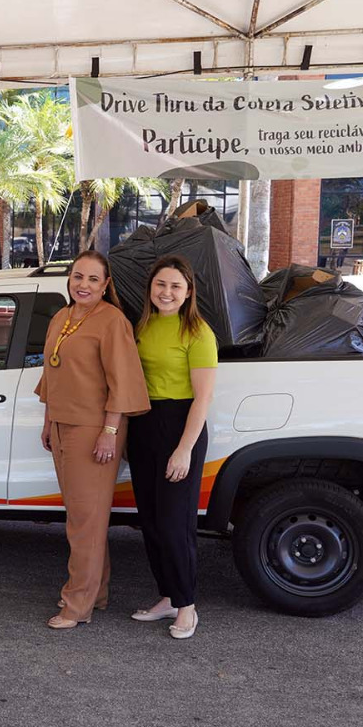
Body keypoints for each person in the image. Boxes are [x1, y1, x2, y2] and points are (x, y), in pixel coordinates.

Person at [37, 250, 150, 630]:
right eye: (77, 277)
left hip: (94, 431)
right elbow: (52, 376)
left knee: (84, 522)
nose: (83, 285)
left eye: (92, 279)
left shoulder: (112, 321)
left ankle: (77, 604)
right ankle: (96, 592)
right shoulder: (62, 316)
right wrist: (48, 420)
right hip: (61, 425)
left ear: (105, 285)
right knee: (83, 518)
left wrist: (110, 431)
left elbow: (123, 382)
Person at [126, 256, 216, 640]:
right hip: (144, 425)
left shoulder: (197, 332)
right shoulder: (142, 326)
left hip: (181, 426)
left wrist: (183, 450)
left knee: (175, 523)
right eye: (161, 284)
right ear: (151, 288)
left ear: (188, 291)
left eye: (175, 286)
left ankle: (187, 606)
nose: (167, 292)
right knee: (150, 519)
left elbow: (203, 399)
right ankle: (167, 597)